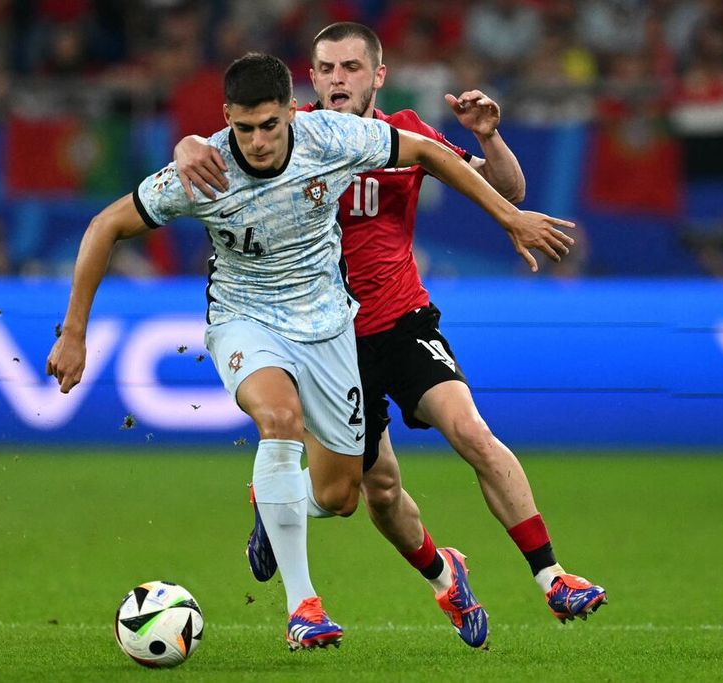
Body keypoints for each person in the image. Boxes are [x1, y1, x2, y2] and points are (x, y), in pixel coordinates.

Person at [46, 52, 574, 651]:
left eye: (270, 125)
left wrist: (511, 219)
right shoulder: (203, 170)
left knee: (341, 496)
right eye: (244, 128)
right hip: (245, 320)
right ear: (227, 120)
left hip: (329, 329)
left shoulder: (333, 137)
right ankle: (304, 607)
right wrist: (74, 332)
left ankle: (276, 502)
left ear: (291, 113)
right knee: (280, 421)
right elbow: (104, 226)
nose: (259, 140)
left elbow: (428, 153)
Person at [174, 23, 607, 648]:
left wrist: (488, 137)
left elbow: (505, 190)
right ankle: (441, 573)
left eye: (352, 67)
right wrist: (190, 142)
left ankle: (553, 577)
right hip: (327, 341)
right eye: (325, 68)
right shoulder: (291, 139)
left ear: (378, 75)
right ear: (310, 79)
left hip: (402, 322)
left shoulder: (405, 135)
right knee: (371, 493)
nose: (337, 79)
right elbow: (218, 148)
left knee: (472, 433)